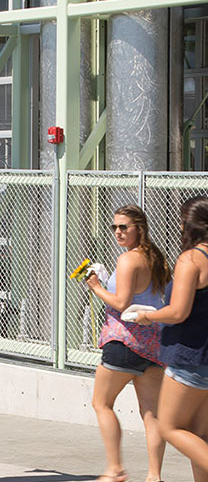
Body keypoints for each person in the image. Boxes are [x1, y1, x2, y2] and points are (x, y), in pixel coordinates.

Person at [84, 205, 170, 482]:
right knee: (152, 414)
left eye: (124, 227)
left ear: (139, 228)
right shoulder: (157, 258)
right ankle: (154, 476)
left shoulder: (128, 260)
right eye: (114, 227)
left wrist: (97, 287)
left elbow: (122, 304)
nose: (118, 232)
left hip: (123, 341)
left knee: (101, 403)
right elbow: (146, 295)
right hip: (153, 344)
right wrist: (108, 279)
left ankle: (115, 468)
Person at [136, 196, 208, 479]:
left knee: (169, 427)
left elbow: (178, 312)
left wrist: (148, 316)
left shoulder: (191, 259)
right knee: (199, 434)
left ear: (188, 225)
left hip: (189, 357)